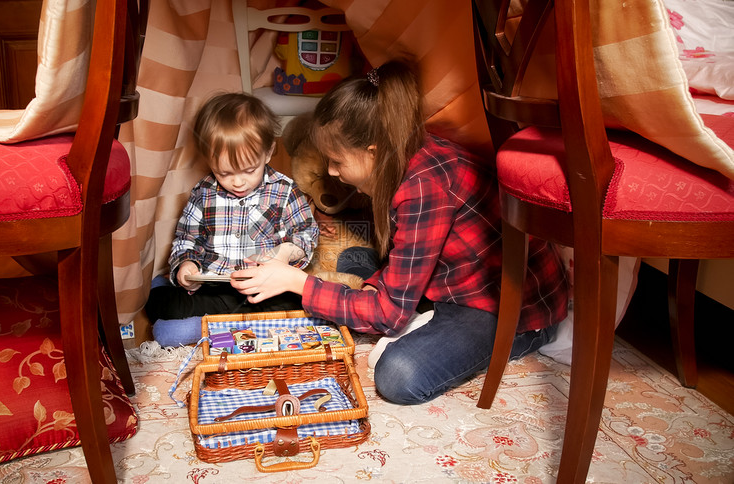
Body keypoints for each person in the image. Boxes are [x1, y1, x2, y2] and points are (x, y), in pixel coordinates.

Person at [231, 60, 569, 405]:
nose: (332, 172)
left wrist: (297, 283)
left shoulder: (424, 187)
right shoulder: (405, 155)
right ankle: (423, 315)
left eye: (337, 161)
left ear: (373, 152)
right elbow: (405, 258)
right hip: (455, 281)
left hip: (507, 308)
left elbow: (388, 315)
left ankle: (531, 336)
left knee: (398, 374)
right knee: (357, 264)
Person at [144, 92, 319, 343]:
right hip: (216, 289)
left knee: (304, 304)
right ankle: (236, 326)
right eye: (224, 173)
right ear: (209, 160)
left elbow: (307, 234)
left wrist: (287, 251)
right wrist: (187, 266)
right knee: (159, 302)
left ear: (268, 152)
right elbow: (186, 240)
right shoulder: (203, 191)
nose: (238, 182)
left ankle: (218, 328)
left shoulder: (285, 190)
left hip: (266, 289)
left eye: (249, 170)